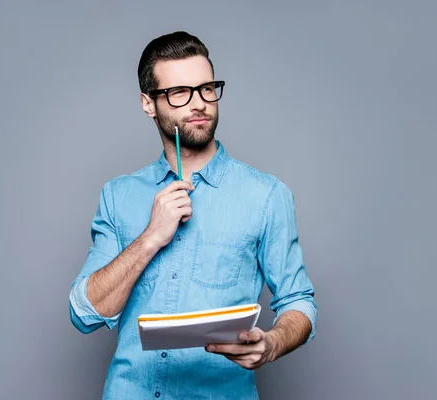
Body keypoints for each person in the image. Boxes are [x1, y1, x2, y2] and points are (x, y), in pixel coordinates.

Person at [69, 31, 318, 399]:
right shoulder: (118, 196)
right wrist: (151, 236)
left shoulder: (266, 195)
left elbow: (300, 301)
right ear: (148, 104)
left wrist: (272, 343)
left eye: (206, 88)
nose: (199, 103)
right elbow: (84, 313)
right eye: (179, 93)